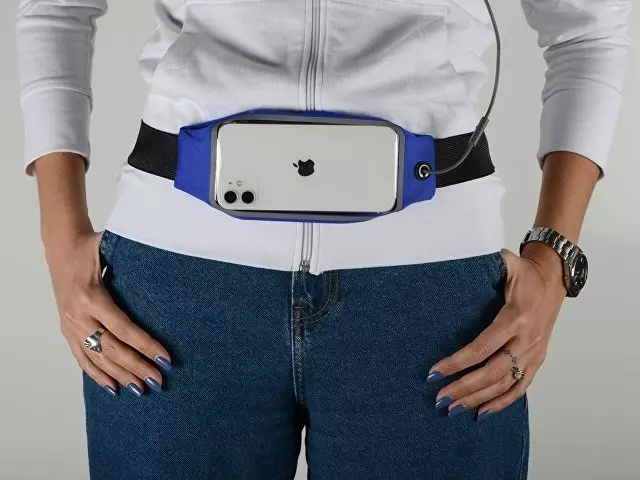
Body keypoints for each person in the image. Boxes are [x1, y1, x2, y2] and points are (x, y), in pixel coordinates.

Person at [16, 1, 631, 479]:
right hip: (178, 290)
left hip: (433, 301)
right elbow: (55, 7)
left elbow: (587, 28)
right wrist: (59, 241)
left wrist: (554, 258)